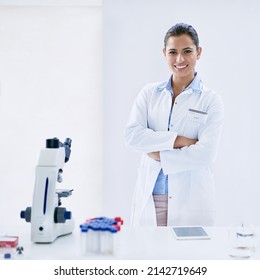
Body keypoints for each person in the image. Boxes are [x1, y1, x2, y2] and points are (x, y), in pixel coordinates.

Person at [124, 23, 224, 227]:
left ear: (199, 52)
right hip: (151, 197)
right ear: (164, 53)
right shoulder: (149, 94)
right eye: (173, 52)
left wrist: (159, 153)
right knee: (148, 257)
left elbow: (206, 153)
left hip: (191, 201)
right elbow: (132, 136)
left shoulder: (210, 100)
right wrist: (178, 141)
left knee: (189, 258)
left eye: (187, 51)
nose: (180, 59)